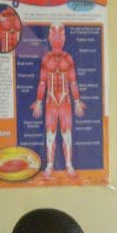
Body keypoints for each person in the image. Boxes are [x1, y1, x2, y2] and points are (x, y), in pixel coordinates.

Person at [31, 23, 85, 177]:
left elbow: (73, 81)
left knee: (67, 133)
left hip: (65, 101)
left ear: (64, 37)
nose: (56, 35)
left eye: (59, 32)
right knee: (50, 133)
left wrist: (77, 101)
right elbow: (42, 82)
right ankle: (49, 166)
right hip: (51, 102)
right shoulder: (46, 58)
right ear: (49, 36)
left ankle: (68, 165)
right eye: (53, 32)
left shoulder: (68, 58)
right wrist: (39, 101)